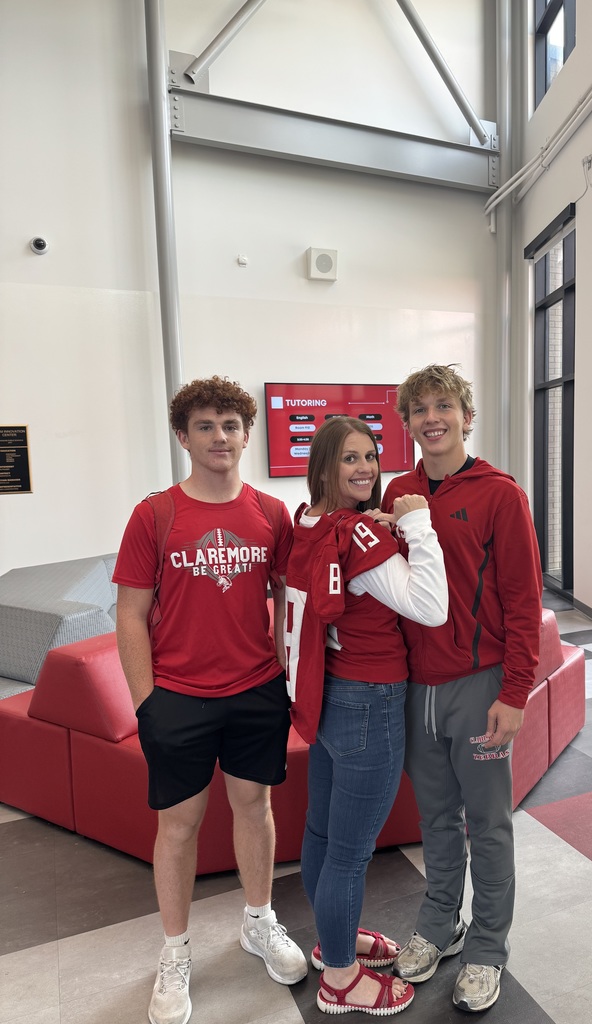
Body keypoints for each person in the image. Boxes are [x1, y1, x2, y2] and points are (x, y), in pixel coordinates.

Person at [113, 376, 307, 1024]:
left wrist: (288, 674)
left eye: (230, 424)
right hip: (178, 698)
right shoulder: (155, 515)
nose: (219, 437)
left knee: (255, 808)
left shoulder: (272, 514)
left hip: (255, 690)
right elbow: (131, 614)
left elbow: (292, 599)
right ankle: (175, 952)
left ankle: (259, 921)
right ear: (183, 436)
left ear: (247, 434)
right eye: (205, 426)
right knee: (179, 826)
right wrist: (147, 703)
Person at [381, 364, 542, 1013]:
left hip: (478, 687)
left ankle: (486, 949)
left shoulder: (501, 493)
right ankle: (440, 923)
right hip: (417, 688)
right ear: (408, 423)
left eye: (442, 405)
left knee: (488, 824)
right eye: (418, 409)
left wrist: (515, 692)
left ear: (466, 415)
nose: (431, 418)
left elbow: (522, 601)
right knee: (435, 819)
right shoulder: (399, 492)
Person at [284, 416, 448, 1016]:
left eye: (371, 457)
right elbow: (429, 607)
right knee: (349, 854)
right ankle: (342, 980)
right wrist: (417, 522)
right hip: (370, 702)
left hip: (328, 698)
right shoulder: (357, 535)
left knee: (322, 836)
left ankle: (333, 944)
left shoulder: (306, 523)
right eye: (350, 459)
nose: (366, 469)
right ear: (323, 466)